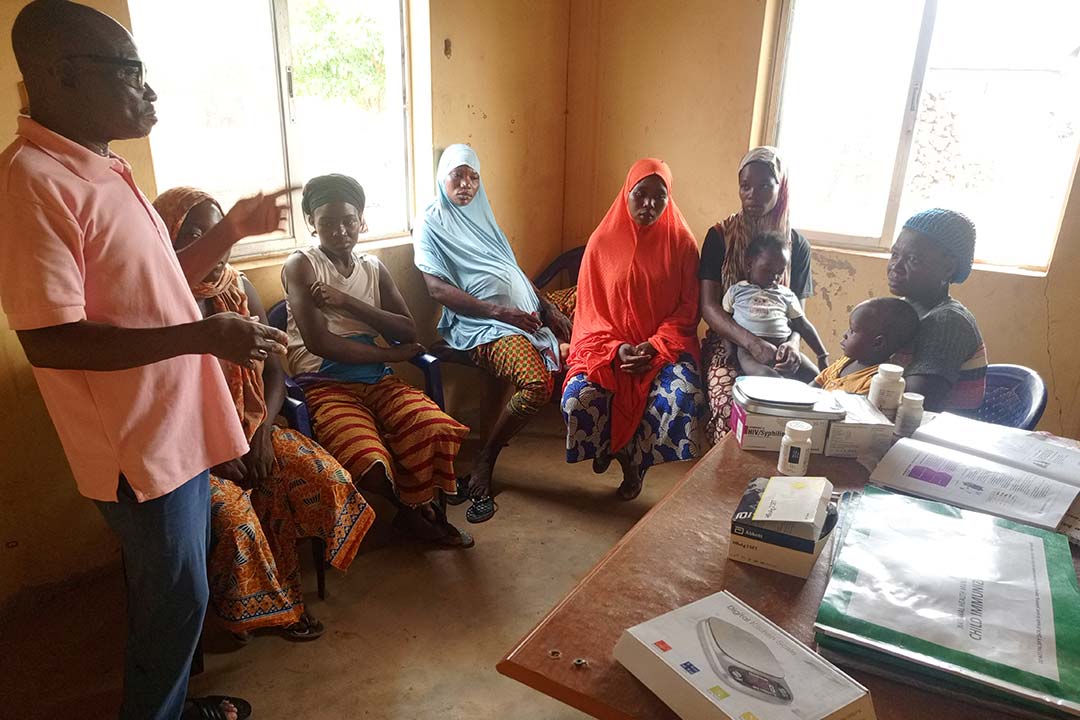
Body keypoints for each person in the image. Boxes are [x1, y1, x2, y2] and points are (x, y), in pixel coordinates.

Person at [1, 3, 292, 718]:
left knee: (174, 596)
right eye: (131, 73)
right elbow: (50, 339)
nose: (148, 92)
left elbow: (156, 288)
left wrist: (230, 230)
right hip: (136, 450)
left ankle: (171, 704)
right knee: (173, 602)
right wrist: (203, 338)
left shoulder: (102, 165)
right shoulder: (32, 181)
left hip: (173, 431)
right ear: (63, 75)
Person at [155, 187, 376, 641]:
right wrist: (215, 451)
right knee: (235, 520)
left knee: (323, 479)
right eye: (192, 234)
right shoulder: (158, 304)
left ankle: (282, 595)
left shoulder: (239, 288)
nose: (212, 245)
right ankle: (252, 611)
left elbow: (276, 367)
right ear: (167, 238)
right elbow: (158, 402)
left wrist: (259, 435)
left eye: (218, 233)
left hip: (251, 427)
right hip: (189, 452)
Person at [283, 174, 473, 547]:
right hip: (326, 384)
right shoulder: (301, 265)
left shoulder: (372, 267)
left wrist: (347, 301)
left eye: (348, 221)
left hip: (377, 378)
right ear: (310, 223)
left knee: (433, 427)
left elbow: (408, 329)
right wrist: (392, 354)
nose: (340, 231)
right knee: (367, 457)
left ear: (361, 219)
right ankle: (412, 509)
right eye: (327, 223)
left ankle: (415, 513)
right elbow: (320, 343)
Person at [413, 143, 575, 523]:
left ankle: (571, 354)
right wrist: (502, 312)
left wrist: (549, 308)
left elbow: (514, 272)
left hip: (525, 315)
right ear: (442, 178)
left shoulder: (484, 217)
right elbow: (436, 290)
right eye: (457, 175)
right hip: (483, 326)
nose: (466, 184)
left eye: (473, 176)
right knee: (536, 385)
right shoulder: (431, 223)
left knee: (594, 298)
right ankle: (486, 458)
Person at [561, 158, 704, 501]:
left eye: (660, 196)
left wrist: (654, 346)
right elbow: (590, 311)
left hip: (664, 350)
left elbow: (689, 308)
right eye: (641, 194)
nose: (649, 204)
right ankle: (609, 447)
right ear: (627, 193)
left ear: (670, 198)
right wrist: (616, 350)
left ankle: (634, 464)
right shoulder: (602, 242)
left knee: (682, 396)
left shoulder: (682, 244)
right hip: (608, 348)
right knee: (580, 397)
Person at [699, 146, 818, 443]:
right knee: (730, 406)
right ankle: (725, 483)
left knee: (812, 403)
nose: (753, 194)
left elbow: (797, 316)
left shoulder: (796, 245)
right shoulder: (719, 236)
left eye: (765, 185)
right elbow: (710, 306)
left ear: (782, 187)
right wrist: (750, 343)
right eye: (746, 186)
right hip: (728, 341)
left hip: (780, 345)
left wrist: (792, 346)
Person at [888, 208, 987, 412]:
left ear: (948, 268)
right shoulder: (905, 311)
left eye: (913, 260)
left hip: (935, 437)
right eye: (895, 254)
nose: (896, 266)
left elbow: (915, 405)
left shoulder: (948, 322)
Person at [722, 231, 828, 380]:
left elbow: (803, 325)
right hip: (748, 351)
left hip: (783, 348)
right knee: (769, 376)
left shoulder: (786, 294)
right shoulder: (737, 291)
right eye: (767, 270)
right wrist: (729, 350)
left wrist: (822, 355)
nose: (774, 277)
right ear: (749, 263)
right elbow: (726, 321)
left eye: (780, 272)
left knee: (817, 377)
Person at [812, 297, 920, 394]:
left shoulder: (875, 381)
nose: (845, 335)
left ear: (877, 343)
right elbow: (815, 385)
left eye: (852, 331)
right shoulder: (845, 361)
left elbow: (853, 413)